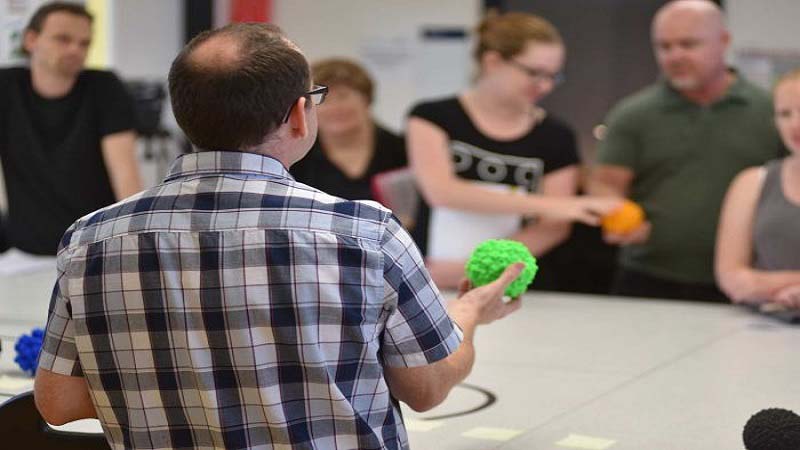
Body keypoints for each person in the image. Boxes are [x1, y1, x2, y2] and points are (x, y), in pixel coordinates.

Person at [33, 23, 524, 450]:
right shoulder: (365, 233)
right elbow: (428, 386)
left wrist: (193, 392)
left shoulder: (91, 239)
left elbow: (57, 401)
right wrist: (470, 313)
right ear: (296, 114)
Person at [588, 0, 785, 302]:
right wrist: (616, 214)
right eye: (664, 47)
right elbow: (605, 183)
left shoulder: (771, 111)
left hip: (744, 280)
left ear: (724, 41)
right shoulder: (633, 114)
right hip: (648, 278)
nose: (675, 56)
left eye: (688, 44)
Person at [407, 12, 618, 290]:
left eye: (553, 76)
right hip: (430, 275)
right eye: (534, 73)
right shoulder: (432, 117)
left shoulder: (556, 136)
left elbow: (553, 227)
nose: (544, 85)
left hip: (510, 282)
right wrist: (558, 206)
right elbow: (442, 192)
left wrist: (478, 270)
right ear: (492, 61)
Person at [0, 1, 142, 256]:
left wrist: (135, 248)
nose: (76, 49)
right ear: (31, 40)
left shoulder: (104, 88)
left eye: (84, 43)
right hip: (25, 250)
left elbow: (126, 177)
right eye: (63, 39)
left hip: (92, 249)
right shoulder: (7, 88)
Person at [716, 69, 800, 308]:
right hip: (763, 330)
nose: (795, 124)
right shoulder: (753, 182)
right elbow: (733, 279)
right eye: (785, 114)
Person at [290, 58, 406, 202]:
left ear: (366, 99)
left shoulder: (405, 151)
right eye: (323, 100)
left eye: (343, 96)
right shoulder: (295, 157)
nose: (335, 108)